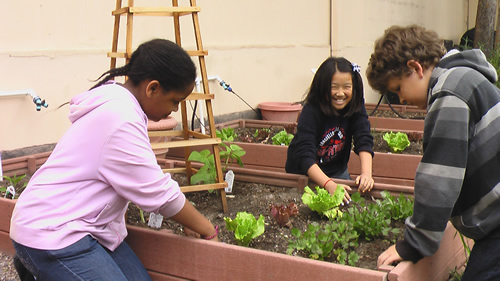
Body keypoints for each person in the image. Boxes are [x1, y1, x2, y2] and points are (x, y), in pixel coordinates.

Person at [10, 38, 219, 280]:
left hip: (84, 227)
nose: (174, 110)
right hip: (52, 233)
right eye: (175, 101)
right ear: (152, 88)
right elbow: (157, 193)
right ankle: (41, 269)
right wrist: (207, 230)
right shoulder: (120, 119)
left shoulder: (121, 107)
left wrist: (189, 220)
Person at [367, 24, 500, 280]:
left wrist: (412, 244)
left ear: (416, 67)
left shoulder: (448, 91)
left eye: (397, 89)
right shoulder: (463, 77)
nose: (401, 100)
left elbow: (440, 178)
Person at [285, 57, 375, 202]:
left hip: (337, 172)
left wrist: (366, 174)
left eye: (346, 86)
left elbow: (363, 137)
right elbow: (304, 154)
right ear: (322, 87)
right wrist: (328, 184)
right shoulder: (312, 111)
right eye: (333, 87)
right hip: (304, 175)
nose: (340, 93)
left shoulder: (355, 106)